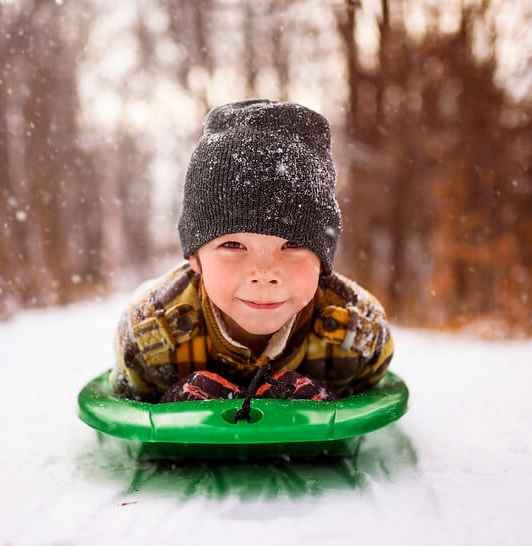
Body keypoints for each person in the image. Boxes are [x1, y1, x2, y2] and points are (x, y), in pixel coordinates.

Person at [110, 98, 393, 408]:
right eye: (233, 246)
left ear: (322, 260)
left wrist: (334, 411)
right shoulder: (149, 337)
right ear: (195, 258)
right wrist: (167, 411)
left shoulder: (359, 334)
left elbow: (374, 405)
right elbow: (124, 417)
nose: (264, 273)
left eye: (292, 244)